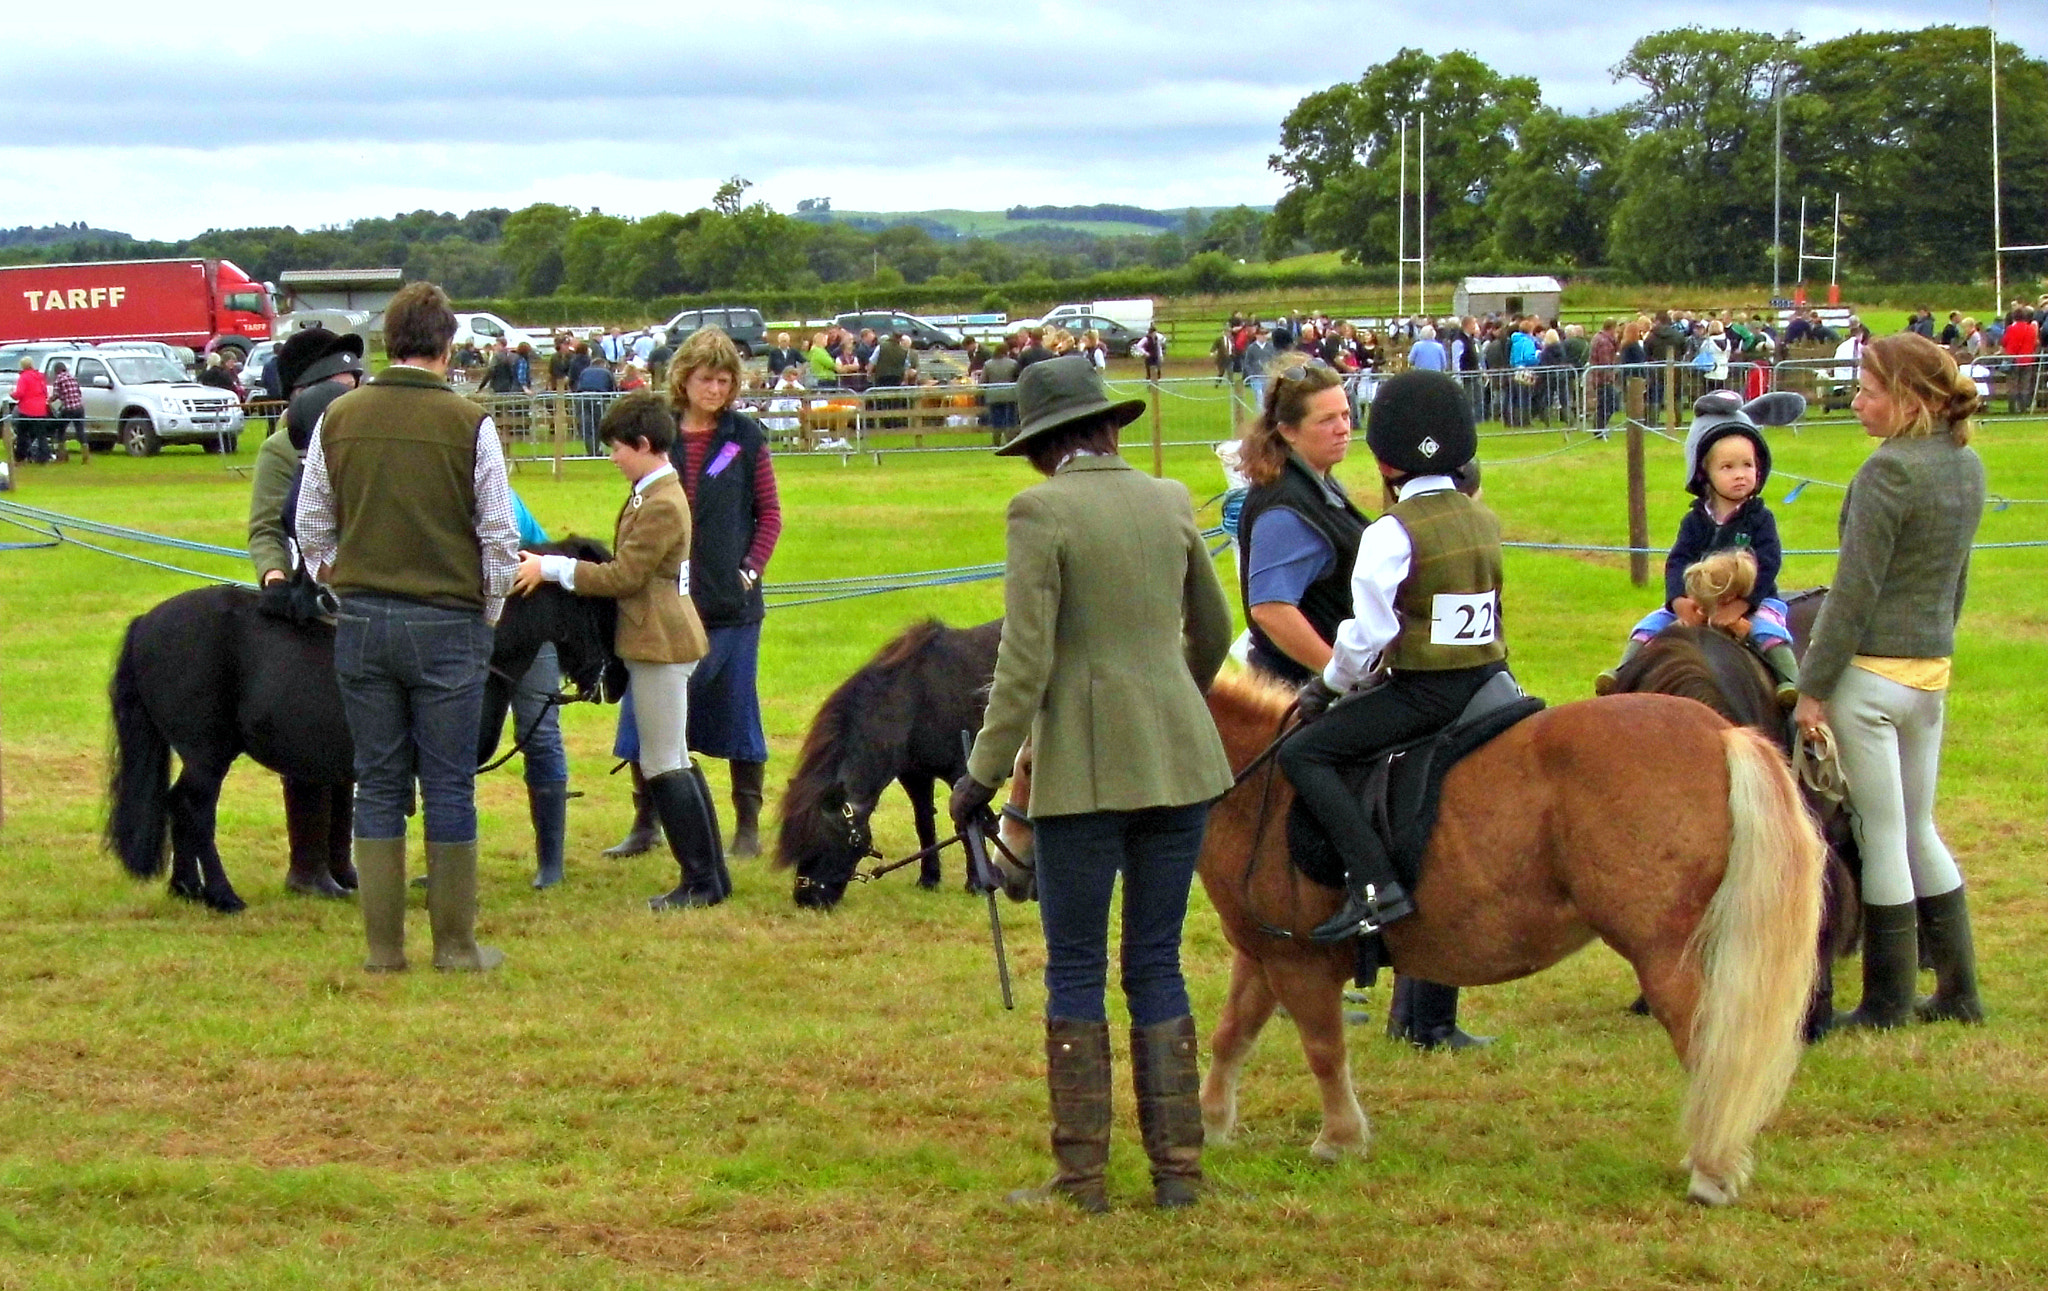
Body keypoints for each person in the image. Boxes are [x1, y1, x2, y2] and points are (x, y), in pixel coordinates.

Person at [947, 355, 1233, 1213]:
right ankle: (1178, 1173)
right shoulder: (1169, 497)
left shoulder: (1040, 510)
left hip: (1085, 769)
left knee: (1075, 965)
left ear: (1040, 442)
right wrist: (1170, 696)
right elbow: (1215, 630)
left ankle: (1082, 1179)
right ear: (1107, 424)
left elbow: (1025, 659)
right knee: (1156, 960)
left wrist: (982, 772)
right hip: (1180, 761)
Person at [1235, 362, 1489, 1049]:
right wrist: (1332, 676)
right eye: (1327, 418)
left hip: (1383, 675)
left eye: (1348, 413)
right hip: (1311, 678)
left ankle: (1394, 938)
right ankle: (1342, 934)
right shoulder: (1290, 504)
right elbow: (1269, 607)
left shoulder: (1331, 493)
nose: (1343, 425)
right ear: (1287, 432)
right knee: (1306, 777)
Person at [294, 281, 520, 973]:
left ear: (390, 342)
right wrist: (487, 613)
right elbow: (498, 537)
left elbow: (310, 524)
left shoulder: (338, 416)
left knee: (378, 781)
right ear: (449, 345)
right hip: (449, 622)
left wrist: (345, 578)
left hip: (362, 620)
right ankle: (454, 946)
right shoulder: (470, 422)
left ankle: (383, 949)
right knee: (451, 782)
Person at [1794, 333, 1986, 1031]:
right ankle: (1959, 990)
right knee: (1918, 827)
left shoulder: (1887, 473)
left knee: (1881, 834)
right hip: (1929, 670)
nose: (1857, 400)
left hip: (1870, 678)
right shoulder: (1967, 466)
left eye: (1869, 390)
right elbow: (1956, 580)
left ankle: (1886, 1002)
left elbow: (1852, 592)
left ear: (1908, 399)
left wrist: (1812, 686)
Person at [1281, 370, 1506, 944]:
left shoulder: (1390, 532)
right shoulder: (1481, 517)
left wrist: (1328, 686)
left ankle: (1375, 886)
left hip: (1428, 690)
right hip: (1492, 678)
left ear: (1384, 464)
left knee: (1305, 753)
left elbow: (1370, 634)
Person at [515, 392, 728, 909]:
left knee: (661, 762)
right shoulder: (648, 491)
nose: (612, 457)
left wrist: (552, 568)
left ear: (644, 444)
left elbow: (624, 576)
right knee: (673, 756)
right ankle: (711, 876)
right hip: (656, 637)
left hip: (660, 641)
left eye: (617, 448)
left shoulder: (660, 501)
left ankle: (699, 882)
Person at [604, 328, 782, 862]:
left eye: (726, 380)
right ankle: (646, 821)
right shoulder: (658, 437)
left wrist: (751, 567)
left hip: (730, 607)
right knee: (645, 714)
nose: (716, 389)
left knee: (737, 713)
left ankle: (747, 826)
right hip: (662, 605)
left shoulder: (746, 438)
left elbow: (769, 513)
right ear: (685, 378)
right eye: (707, 378)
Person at [1594, 391, 1804, 705]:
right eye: (1728, 467)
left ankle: (1791, 683)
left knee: (1769, 633)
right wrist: (1679, 601)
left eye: (1748, 465)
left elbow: (1769, 562)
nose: (1740, 475)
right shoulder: (1694, 521)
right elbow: (1678, 561)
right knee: (1648, 626)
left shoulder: (1760, 519)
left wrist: (1742, 605)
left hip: (1754, 602)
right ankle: (1622, 673)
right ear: (1704, 473)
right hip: (1699, 601)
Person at [11, 358, 50, 463]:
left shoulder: (24, 377)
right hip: (41, 410)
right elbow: (45, 393)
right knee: (41, 435)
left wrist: (12, 394)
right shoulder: (40, 377)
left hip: (27, 410)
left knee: (22, 434)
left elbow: (20, 393)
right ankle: (44, 457)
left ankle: (20, 456)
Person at [48, 360, 84, 459]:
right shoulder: (73, 377)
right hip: (79, 408)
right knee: (80, 431)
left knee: (60, 430)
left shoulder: (58, 380)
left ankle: (62, 456)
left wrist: (48, 401)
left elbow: (56, 395)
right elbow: (78, 392)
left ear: (56, 371)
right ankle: (86, 456)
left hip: (68, 409)